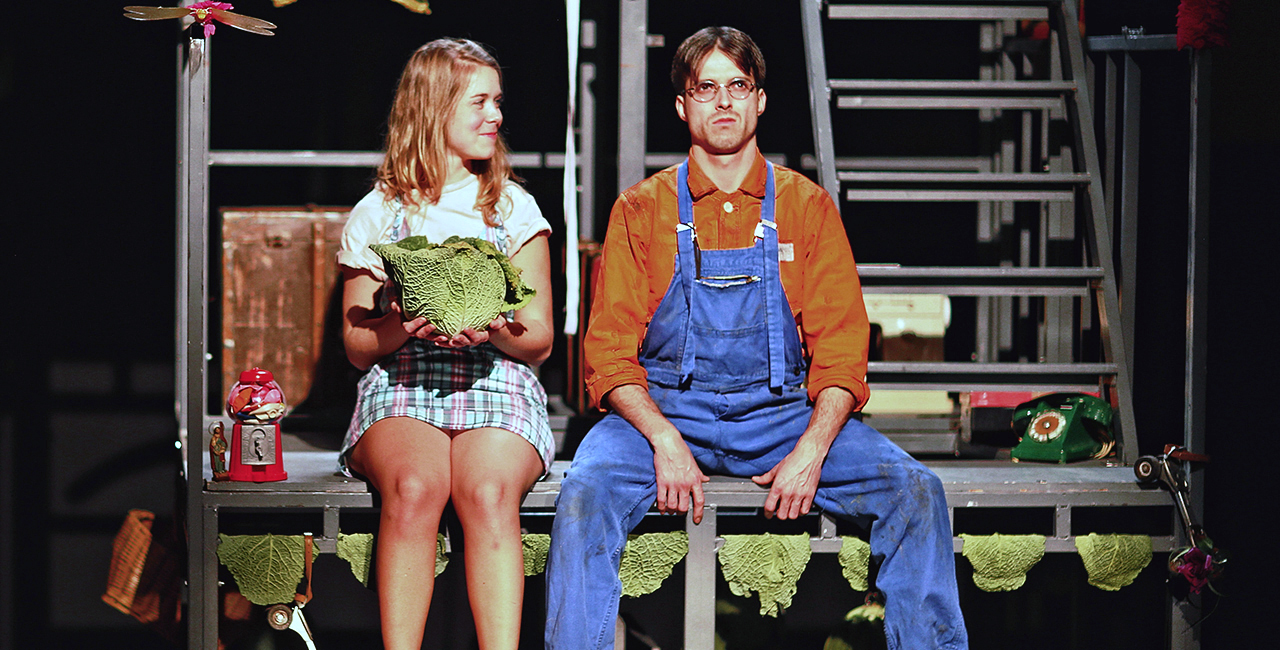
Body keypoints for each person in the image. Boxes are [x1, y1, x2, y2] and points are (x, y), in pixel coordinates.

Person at [545, 26, 968, 649]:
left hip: (781, 417)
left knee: (917, 493)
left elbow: (843, 353)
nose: (723, 102)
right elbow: (607, 355)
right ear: (682, 105)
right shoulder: (642, 209)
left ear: (760, 100)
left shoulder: (806, 206)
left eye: (737, 86)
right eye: (705, 88)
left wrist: (812, 450)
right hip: (666, 412)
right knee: (584, 493)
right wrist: (662, 437)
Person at [336, 38, 554, 650]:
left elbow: (538, 339)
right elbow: (355, 341)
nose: (497, 116)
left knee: (486, 492)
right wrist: (401, 324)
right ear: (435, 108)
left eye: (498, 101)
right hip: (405, 375)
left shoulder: (512, 208)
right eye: (480, 102)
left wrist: (491, 327)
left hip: (495, 373)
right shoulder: (380, 212)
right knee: (415, 488)